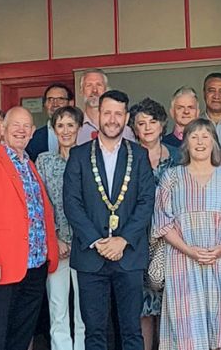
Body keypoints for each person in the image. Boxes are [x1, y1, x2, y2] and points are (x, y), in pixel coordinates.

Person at [64, 90, 158, 350]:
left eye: (119, 113)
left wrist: (123, 240)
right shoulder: (79, 155)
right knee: (94, 332)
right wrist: (97, 240)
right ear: (98, 115)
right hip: (90, 256)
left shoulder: (139, 155)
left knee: (131, 331)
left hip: (128, 256)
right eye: (107, 113)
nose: (112, 119)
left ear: (126, 117)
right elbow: (72, 203)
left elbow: (146, 202)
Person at [154, 119, 221, 350]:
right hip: (182, 262)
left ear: (214, 142)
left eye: (205, 136)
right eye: (194, 136)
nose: (200, 142)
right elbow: (161, 221)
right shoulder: (172, 177)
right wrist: (189, 250)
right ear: (186, 143)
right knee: (187, 332)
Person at [0, 107, 61, 350]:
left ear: (32, 132)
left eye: (26, 126)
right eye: (15, 125)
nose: (21, 130)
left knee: (21, 334)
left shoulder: (29, 163)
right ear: (3, 129)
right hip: (2, 265)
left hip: (35, 264)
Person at [130, 98, 179, 348]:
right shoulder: (127, 157)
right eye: (141, 123)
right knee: (142, 304)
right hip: (137, 238)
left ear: (162, 124)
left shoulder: (179, 156)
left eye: (153, 121)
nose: (148, 127)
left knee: (172, 302)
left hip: (173, 239)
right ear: (134, 128)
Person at [38, 106, 88, 350]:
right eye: (60, 126)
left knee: (84, 308)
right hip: (56, 244)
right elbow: (41, 202)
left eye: (71, 125)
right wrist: (55, 239)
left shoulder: (90, 158)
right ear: (53, 129)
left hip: (85, 245)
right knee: (57, 307)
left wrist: (82, 237)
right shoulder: (44, 161)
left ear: (79, 128)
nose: (66, 131)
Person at [76, 69, 135, 143]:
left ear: (106, 89)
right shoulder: (74, 129)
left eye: (99, 85)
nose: (94, 90)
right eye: (89, 85)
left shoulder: (125, 130)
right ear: (81, 91)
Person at [29, 83, 74, 159]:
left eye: (60, 99)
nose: (55, 104)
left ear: (70, 103)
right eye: (50, 99)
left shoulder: (80, 133)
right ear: (45, 104)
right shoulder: (33, 138)